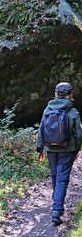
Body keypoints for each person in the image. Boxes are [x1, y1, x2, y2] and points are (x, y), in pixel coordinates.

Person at [37, 82, 82, 226]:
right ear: (70, 94)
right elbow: (79, 134)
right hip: (67, 149)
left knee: (55, 177)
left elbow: (42, 129)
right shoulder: (73, 112)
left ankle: (57, 205)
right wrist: (76, 150)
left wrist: (40, 148)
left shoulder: (47, 110)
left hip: (50, 149)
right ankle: (56, 210)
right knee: (62, 179)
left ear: (56, 94)